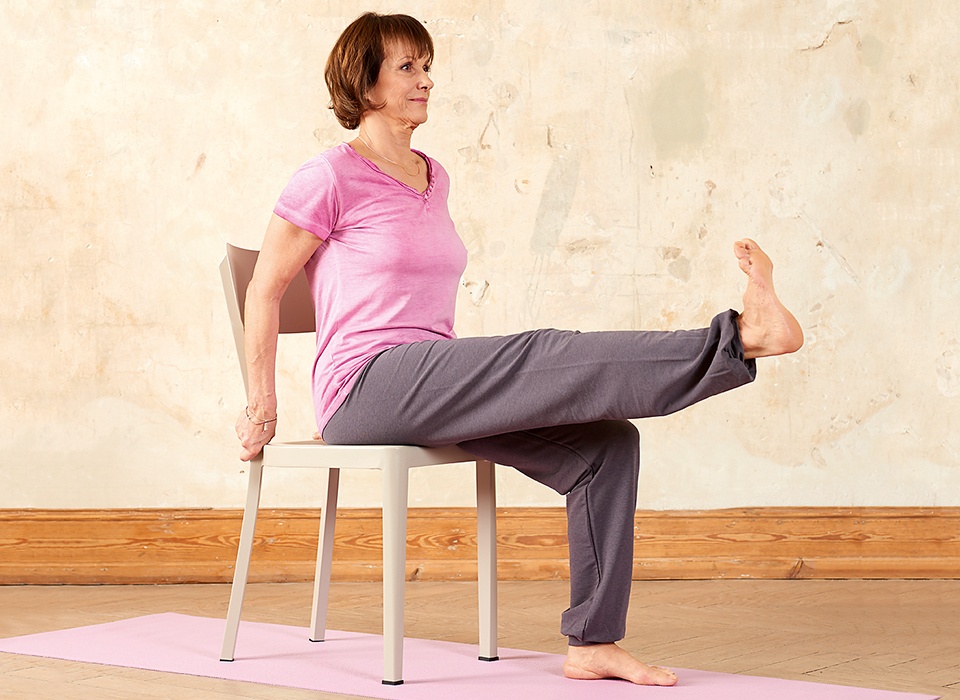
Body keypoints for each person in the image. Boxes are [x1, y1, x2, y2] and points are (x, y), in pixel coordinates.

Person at [235, 11, 803, 687]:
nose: (427, 80)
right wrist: (261, 409)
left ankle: (592, 643)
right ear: (365, 86)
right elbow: (265, 290)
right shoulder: (327, 177)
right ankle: (738, 338)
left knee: (605, 447)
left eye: (426, 64)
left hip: (433, 379)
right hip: (365, 389)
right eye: (408, 68)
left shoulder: (431, 176)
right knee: (538, 351)